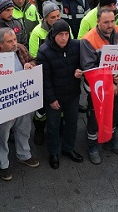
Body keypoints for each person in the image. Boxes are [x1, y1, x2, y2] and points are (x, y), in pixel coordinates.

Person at [80, 8, 118, 164]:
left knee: (114, 113)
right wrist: (110, 83)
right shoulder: (88, 40)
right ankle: (93, 145)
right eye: (106, 22)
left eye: (112, 21)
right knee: (95, 117)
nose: (110, 25)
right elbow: (89, 68)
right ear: (98, 22)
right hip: (97, 90)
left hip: (117, 86)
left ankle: (111, 139)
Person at [0, 27, 39, 180]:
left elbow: (33, 59)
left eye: (15, 40)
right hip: (5, 105)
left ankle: (24, 154)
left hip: (23, 99)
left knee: (24, 129)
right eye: (9, 41)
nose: (14, 44)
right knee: (2, 135)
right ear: (0, 44)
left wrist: (30, 64)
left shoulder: (21, 49)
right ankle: (2, 164)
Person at [36, 19, 84, 169]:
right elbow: (45, 79)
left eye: (66, 34)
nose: (64, 38)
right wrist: (51, 99)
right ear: (53, 35)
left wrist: (80, 70)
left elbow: (83, 63)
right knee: (53, 126)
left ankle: (68, 148)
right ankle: (53, 152)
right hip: (55, 97)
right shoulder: (44, 51)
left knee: (72, 123)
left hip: (73, 94)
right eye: (60, 35)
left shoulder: (76, 45)